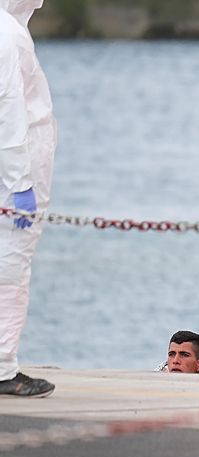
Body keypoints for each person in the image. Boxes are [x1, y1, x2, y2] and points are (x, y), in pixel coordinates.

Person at [0, 1, 57, 398]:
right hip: (15, 174)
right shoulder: (5, 34)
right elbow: (10, 114)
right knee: (11, 268)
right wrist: (20, 184)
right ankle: (3, 367)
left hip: (15, 168)